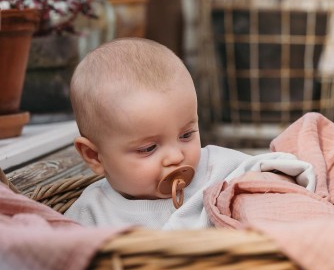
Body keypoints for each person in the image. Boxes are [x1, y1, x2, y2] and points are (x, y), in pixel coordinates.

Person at [64, 38, 315, 230]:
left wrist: (274, 182)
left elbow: (272, 171)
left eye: (186, 135)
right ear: (94, 156)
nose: (176, 156)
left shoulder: (218, 169)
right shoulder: (91, 213)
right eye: (148, 148)